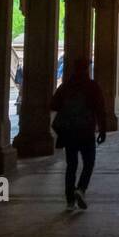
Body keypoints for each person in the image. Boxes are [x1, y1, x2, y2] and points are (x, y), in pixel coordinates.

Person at [50, 57, 107, 210]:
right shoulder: (92, 86)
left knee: (71, 165)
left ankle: (69, 201)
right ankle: (81, 189)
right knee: (89, 163)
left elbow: (53, 104)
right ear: (87, 68)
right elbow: (100, 109)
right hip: (86, 130)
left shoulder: (66, 86)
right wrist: (102, 129)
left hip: (69, 132)